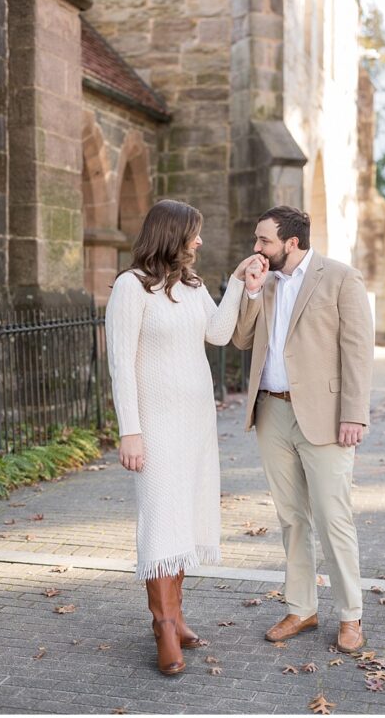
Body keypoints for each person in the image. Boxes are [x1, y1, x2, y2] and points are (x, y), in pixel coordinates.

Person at [105, 199, 264, 675]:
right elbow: (120, 365)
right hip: (153, 424)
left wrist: (241, 285)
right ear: (171, 234)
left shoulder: (192, 286)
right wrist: (129, 431)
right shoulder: (130, 287)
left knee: (185, 516)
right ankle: (164, 626)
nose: (199, 241)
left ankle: (176, 612)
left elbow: (217, 334)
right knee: (160, 517)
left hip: (195, 421)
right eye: (194, 233)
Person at [232, 206, 374, 653]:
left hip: (326, 416)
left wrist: (354, 413)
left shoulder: (341, 278)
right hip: (272, 413)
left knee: (334, 518)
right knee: (291, 517)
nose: (256, 249)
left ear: (291, 243)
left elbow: (357, 351)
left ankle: (350, 615)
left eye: (264, 241)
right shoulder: (265, 283)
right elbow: (240, 339)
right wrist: (250, 293)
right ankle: (301, 608)